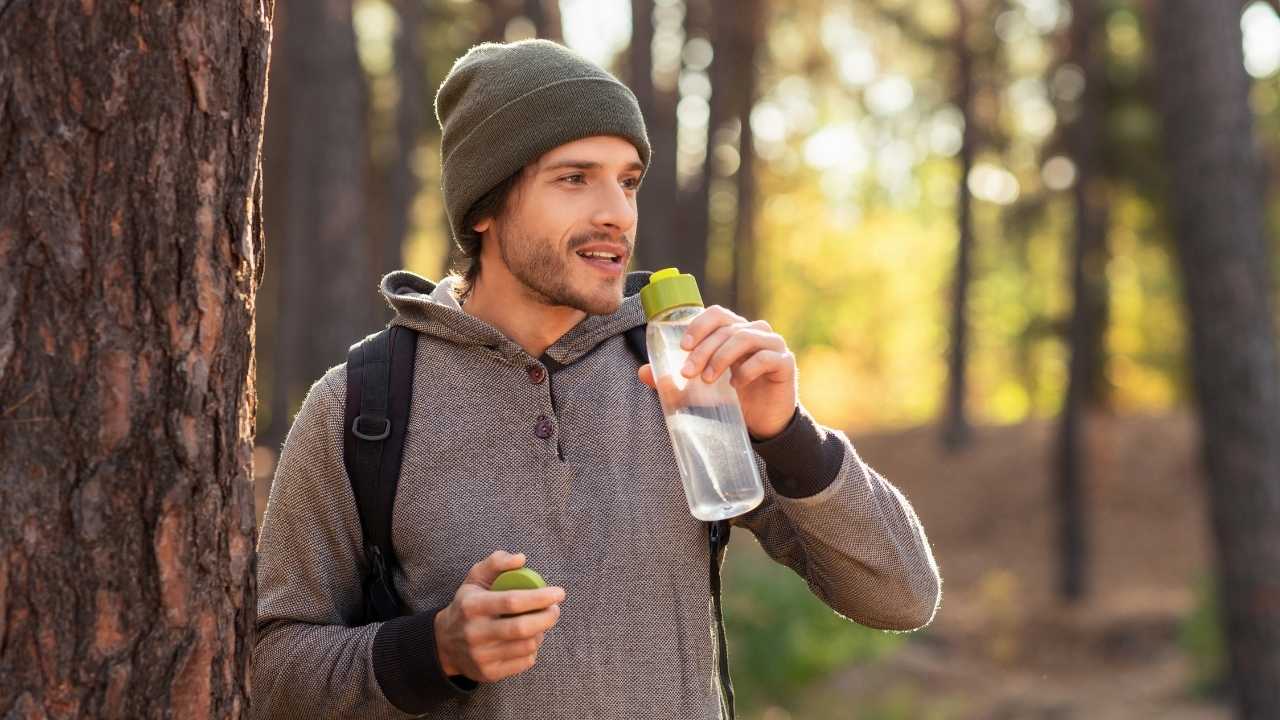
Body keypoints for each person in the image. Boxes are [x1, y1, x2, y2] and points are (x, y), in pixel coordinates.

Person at [252, 39, 941, 720]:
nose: (617, 212)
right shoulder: (362, 407)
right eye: (575, 178)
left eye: (628, 179)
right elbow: (269, 670)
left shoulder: (684, 375)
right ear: (483, 208)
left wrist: (787, 434)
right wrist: (435, 653)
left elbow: (902, 595)